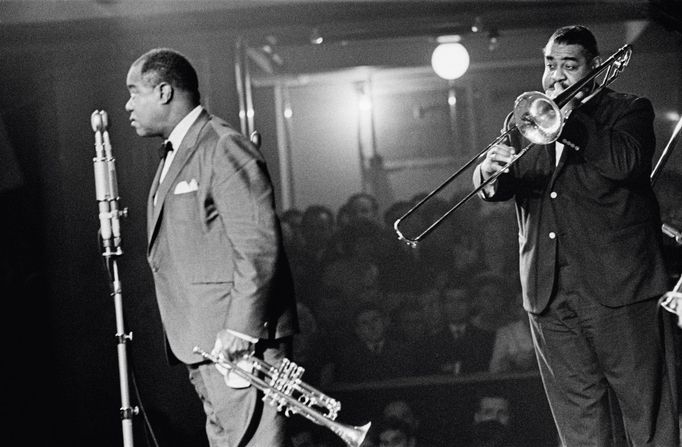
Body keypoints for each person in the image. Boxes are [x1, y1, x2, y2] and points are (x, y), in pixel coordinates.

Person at [474, 26, 678, 445]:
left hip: (620, 292)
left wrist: (568, 124)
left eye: (569, 65)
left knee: (647, 418)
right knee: (580, 426)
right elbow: (500, 185)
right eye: (551, 64)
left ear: (594, 67)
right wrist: (488, 173)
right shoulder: (525, 116)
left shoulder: (629, 110)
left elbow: (627, 163)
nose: (556, 76)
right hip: (550, 295)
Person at [125, 48, 298, 446]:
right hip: (206, 342)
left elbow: (258, 246)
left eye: (135, 92)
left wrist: (241, 326)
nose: (128, 104)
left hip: (238, 341)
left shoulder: (221, 145)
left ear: (164, 92)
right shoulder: (181, 151)